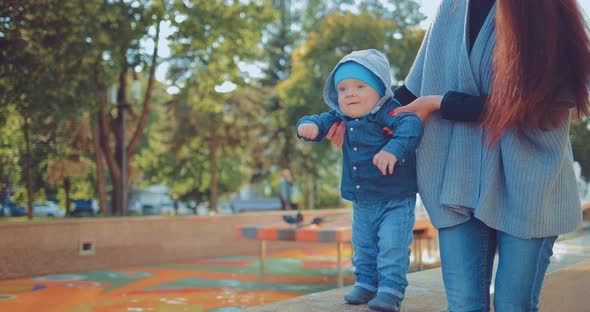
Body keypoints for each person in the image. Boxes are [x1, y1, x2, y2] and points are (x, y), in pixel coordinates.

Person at [326, 1, 590, 311]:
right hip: (455, 179)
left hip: (529, 183)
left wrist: (441, 103)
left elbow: (541, 103)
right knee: (464, 305)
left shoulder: (544, 8)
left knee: (512, 305)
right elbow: (411, 93)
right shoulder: (451, 7)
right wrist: (357, 125)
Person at [297, 49, 424, 312]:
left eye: (359, 86)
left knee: (392, 245)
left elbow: (411, 125)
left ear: (379, 89)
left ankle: (390, 289)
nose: (349, 94)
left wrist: (392, 149)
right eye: (342, 89)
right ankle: (366, 283)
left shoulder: (390, 112)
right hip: (363, 199)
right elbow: (319, 120)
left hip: (395, 197)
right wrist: (308, 126)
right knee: (363, 245)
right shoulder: (341, 116)